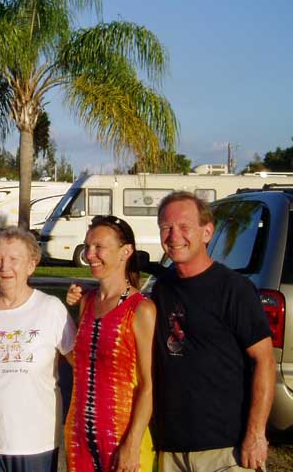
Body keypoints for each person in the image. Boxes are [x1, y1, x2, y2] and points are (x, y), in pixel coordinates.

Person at [153, 191, 275, 471]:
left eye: (184, 227)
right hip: (172, 449)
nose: (174, 236)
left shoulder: (234, 289)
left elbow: (264, 361)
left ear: (207, 232)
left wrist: (256, 435)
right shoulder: (162, 288)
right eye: (166, 228)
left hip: (225, 450)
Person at [0, 227, 76, 472]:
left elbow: (79, 361)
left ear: (31, 265)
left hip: (35, 442)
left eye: (14, 260)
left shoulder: (50, 308)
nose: (5, 267)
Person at [65, 215, 156, 472]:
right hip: (78, 436)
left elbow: (148, 386)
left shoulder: (141, 310)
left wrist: (132, 443)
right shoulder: (87, 301)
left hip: (121, 437)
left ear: (125, 251)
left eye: (99, 247)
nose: (89, 254)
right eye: (87, 246)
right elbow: (81, 361)